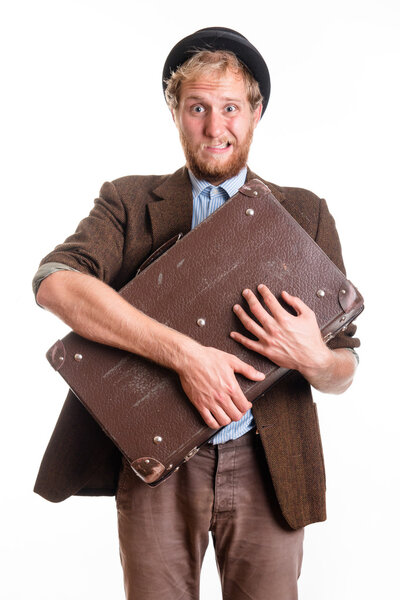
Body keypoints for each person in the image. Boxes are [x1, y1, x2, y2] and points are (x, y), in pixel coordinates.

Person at [33, 27, 360, 600]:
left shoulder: (305, 213)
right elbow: (56, 284)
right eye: (197, 108)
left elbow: (344, 367)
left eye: (231, 107)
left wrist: (312, 357)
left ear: (257, 113)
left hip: (270, 462)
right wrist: (186, 356)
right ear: (175, 111)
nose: (215, 127)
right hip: (158, 462)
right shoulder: (129, 202)